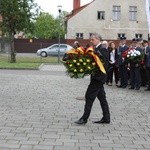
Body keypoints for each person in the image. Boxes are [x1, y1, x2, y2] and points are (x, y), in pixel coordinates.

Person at [74, 33, 110, 125]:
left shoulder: (103, 49)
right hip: (96, 77)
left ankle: (84, 118)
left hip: (98, 78)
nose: (91, 41)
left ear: (98, 39)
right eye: (90, 39)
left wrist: (99, 55)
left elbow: (105, 64)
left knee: (89, 97)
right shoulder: (95, 49)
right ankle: (106, 118)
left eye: (92, 39)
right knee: (102, 98)